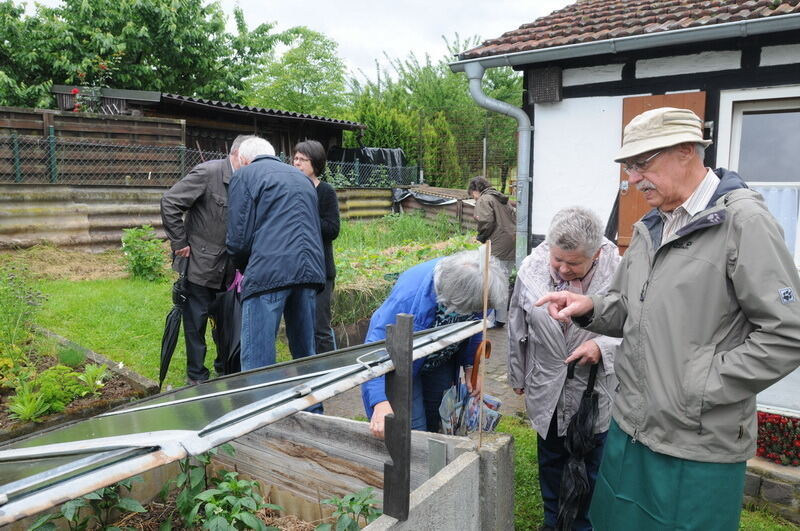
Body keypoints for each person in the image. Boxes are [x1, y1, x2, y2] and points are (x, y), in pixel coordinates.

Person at [536, 107, 800, 530]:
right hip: (630, 427)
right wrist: (591, 307)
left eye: (642, 163)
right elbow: (629, 307)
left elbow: (787, 333)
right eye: (629, 166)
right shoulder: (651, 226)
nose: (633, 178)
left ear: (685, 151)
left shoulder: (744, 223)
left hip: (695, 443)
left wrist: (698, 387)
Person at [508, 206, 621, 531]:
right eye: (558, 259)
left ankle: (584, 524)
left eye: (573, 263)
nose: (562, 268)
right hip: (547, 384)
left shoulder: (619, 273)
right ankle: (552, 521)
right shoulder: (531, 268)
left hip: (593, 390)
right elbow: (516, 324)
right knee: (552, 460)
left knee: (590, 464)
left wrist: (602, 347)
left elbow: (638, 327)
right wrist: (517, 374)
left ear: (596, 254)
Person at [361, 250, 508, 439]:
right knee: (414, 430)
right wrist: (379, 401)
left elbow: (476, 324)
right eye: (474, 308)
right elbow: (374, 351)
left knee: (437, 420)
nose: (479, 311)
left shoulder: (480, 287)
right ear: (454, 298)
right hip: (403, 366)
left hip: (441, 359)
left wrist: (471, 367)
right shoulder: (407, 297)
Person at [226, 136, 325, 371]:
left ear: (243, 159)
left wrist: (245, 268)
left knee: (258, 361)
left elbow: (238, 239)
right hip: (309, 272)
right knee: (305, 355)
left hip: (267, 274)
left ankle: (262, 396)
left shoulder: (244, 175)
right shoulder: (303, 179)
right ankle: (313, 396)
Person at [160, 134, 252, 385]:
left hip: (230, 269)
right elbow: (170, 202)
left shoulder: (246, 180)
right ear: (238, 155)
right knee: (195, 323)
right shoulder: (207, 173)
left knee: (227, 322)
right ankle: (197, 375)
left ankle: (225, 368)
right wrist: (180, 243)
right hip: (200, 265)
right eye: (251, 160)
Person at [293, 140, 340, 354]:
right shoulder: (290, 189)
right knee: (300, 326)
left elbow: (332, 229)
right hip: (296, 269)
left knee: (320, 327)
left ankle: (330, 368)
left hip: (321, 269)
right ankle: (305, 368)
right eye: (295, 158)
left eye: (303, 159)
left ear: (316, 163)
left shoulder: (325, 191)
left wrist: (307, 216)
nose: (297, 163)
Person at [468, 176, 516, 325]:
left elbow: (485, 221)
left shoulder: (484, 199)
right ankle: (501, 318)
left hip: (498, 245)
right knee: (503, 280)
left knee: (493, 282)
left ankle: (491, 318)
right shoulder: (501, 198)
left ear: (475, 190)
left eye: (472, 195)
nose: (474, 199)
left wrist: (481, 237)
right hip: (512, 243)